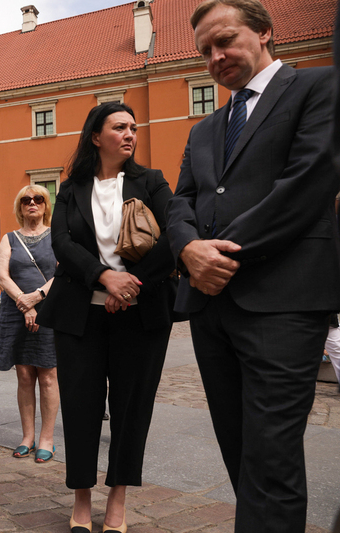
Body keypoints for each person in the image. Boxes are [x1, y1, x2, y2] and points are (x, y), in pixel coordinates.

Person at [165, 1, 340, 530]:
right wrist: (188, 251)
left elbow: (307, 184)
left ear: (263, 32)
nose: (215, 56)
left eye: (225, 41)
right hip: (211, 307)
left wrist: (215, 252)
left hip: (282, 302)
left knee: (272, 458)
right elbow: (181, 203)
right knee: (240, 454)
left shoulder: (319, 88)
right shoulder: (203, 129)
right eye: (205, 51)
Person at [37, 102, 176, 532]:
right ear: (96, 137)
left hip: (141, 312)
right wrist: (103, 278)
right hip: (80, 315)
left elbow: (174, 236)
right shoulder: (71, 186)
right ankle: (81, 501)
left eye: (133, 127)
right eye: (120, 127)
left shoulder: (151, 182)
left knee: (132, 409)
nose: (130, 134)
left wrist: (128, 284)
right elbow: (61, 242)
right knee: (80, 408)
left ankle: (117, 501)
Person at [0, 185, 57, 463]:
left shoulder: (56, 236)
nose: (32, 204)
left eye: (38, 199)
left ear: (46, 205)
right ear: (19, 207)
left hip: (48, 310)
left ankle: (47, 438)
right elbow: (2, 276)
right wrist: (23, 301)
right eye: (26, 200)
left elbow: (63, 272)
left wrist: (37, 297)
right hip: (15, 310)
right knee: (23, 376)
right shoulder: (9, 238)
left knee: (47, 376)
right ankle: (27, 437)